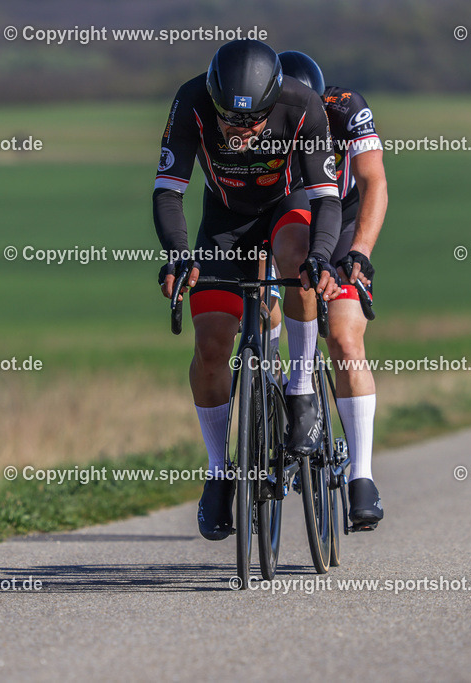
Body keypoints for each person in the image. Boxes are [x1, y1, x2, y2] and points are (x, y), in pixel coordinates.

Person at [153, 40, 342, 540]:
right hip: (224, 221)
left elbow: (326, 199)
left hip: (287, 206)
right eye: (229, 122)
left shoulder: (302, 105)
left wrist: (322, 257)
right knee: (212, 345)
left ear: (274, 102)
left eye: (253, 122)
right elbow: (169, 190)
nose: (241, 133)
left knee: (299, 259)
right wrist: (177, 252)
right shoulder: (192, 100)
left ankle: (300, 390)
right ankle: (219, 472)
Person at [277, 50, 388, 530]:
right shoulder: (260, 121)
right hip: (280, 218)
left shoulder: (346, 107)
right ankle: (272, 393)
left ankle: (361, 475)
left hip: (339, 222)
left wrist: (359, 252)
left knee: (344, 338)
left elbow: (373, 181)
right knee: (258, 309)